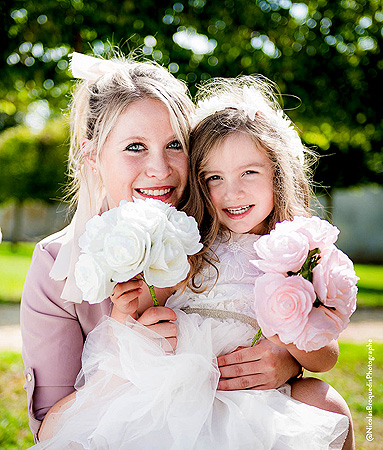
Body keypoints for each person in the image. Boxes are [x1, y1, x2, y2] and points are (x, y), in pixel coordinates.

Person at [29, 76, 353, 449]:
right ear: (92, 155)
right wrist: (130, 328)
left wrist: (288, 353)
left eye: (174, 145)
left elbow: (322, 349)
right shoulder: (191, 245)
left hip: (248, 396)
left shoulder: (196, 231)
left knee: (325, 409)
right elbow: (53, 423)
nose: (160, 169)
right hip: (171, 386)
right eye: (135, 147)